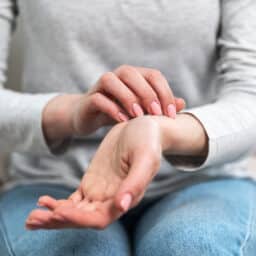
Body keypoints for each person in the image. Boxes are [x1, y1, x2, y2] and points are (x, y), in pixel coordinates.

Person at [0, 1, 256, 255]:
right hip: (51, 181)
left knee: (192, 247)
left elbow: (250, 96)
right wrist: (71, 112)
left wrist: (161, 131)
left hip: (204, 180)